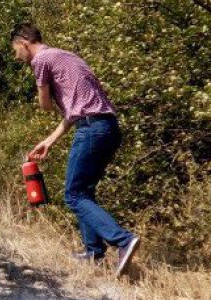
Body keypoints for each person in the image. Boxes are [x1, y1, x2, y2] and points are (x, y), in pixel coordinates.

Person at [11, 23, 140, 277]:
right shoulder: (66, 56)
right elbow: (76, 110)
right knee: (84, 192)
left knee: (73, 195)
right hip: (108, 127)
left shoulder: (41, 61)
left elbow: (45, 105)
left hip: (91, 128)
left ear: (25, 42)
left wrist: (43, 95)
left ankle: (123, 241)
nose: (17, 56)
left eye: (16, 50)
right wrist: (49, 141)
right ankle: (93, 252)